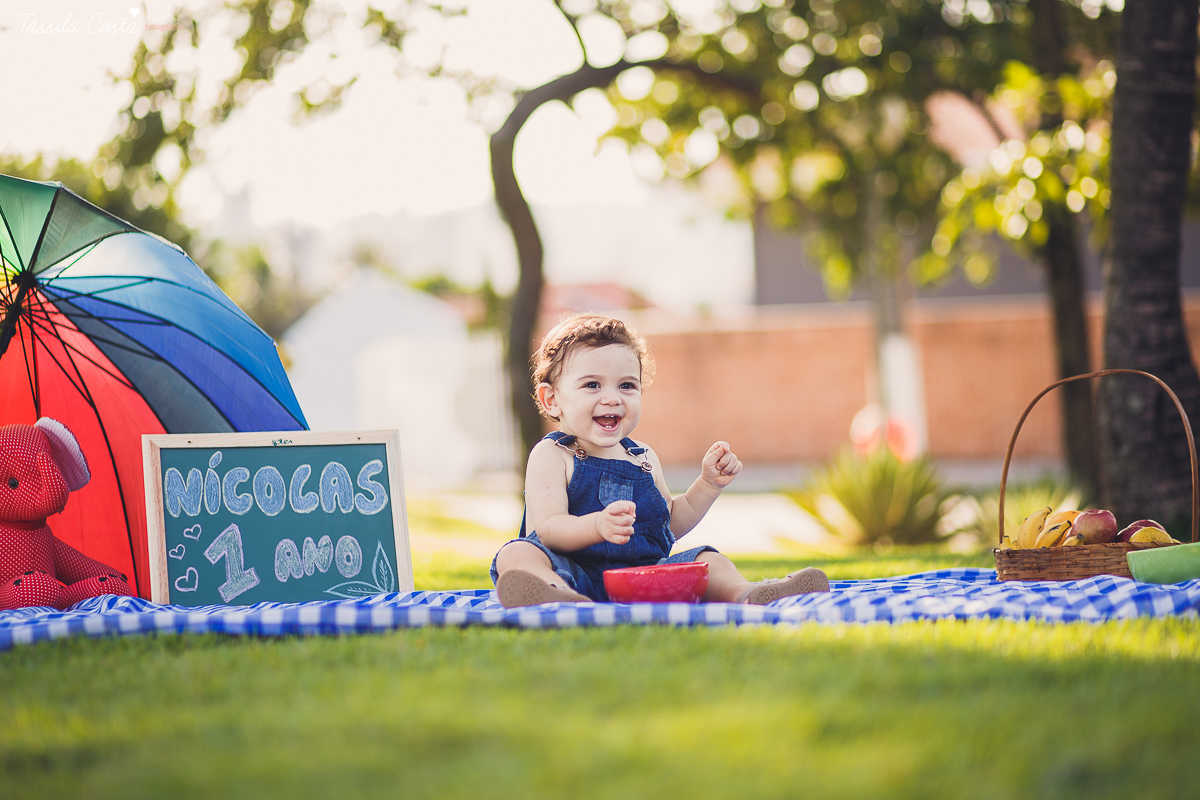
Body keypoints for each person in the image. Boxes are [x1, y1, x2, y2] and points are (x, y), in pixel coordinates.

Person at [491, 313, 830, 608]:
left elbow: (667, 523)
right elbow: (549, 529)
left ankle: (748, 593)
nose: (612, 398)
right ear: (552, 399)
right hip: (570, 574)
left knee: (707, 559)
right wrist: (596, 526)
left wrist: (707, 485)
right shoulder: (553, 455)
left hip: (643, 578)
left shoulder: (642, 457)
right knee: (516, 554)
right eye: (592, 385)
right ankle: (554, 595)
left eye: (626, 386)